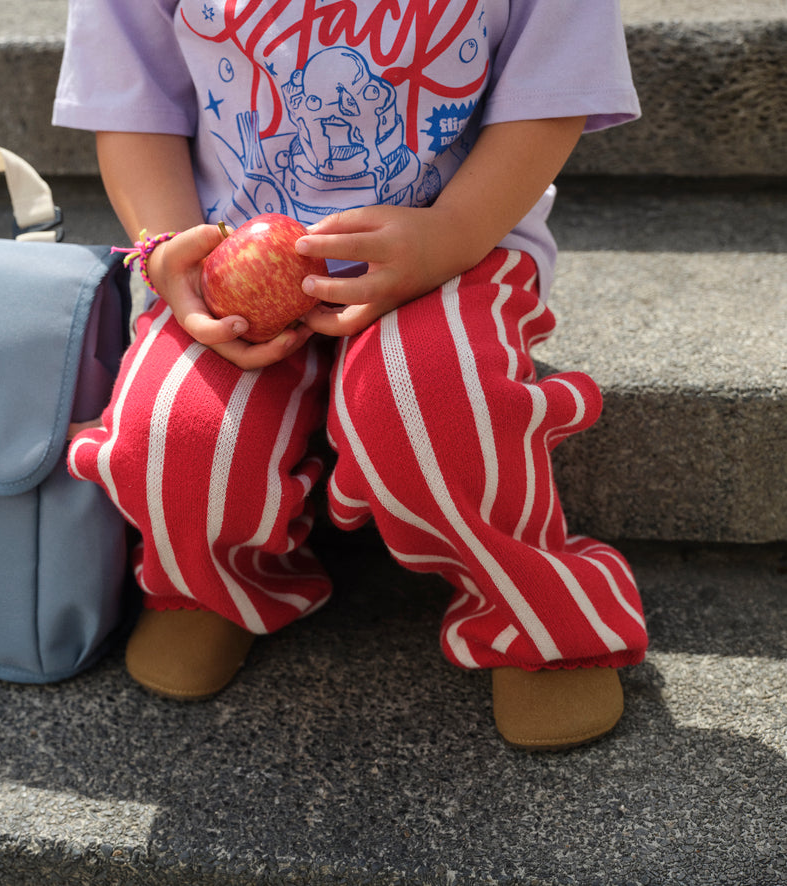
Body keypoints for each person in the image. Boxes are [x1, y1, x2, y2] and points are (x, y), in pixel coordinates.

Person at [53, 0, 648, 749]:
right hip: (229, 258)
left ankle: (535, 608)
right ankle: (209, 584)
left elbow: (552, 89)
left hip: (450, 244)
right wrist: (172, 247)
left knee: (433, 405)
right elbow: (132, 102)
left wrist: (454, 232)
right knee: (176, 431)